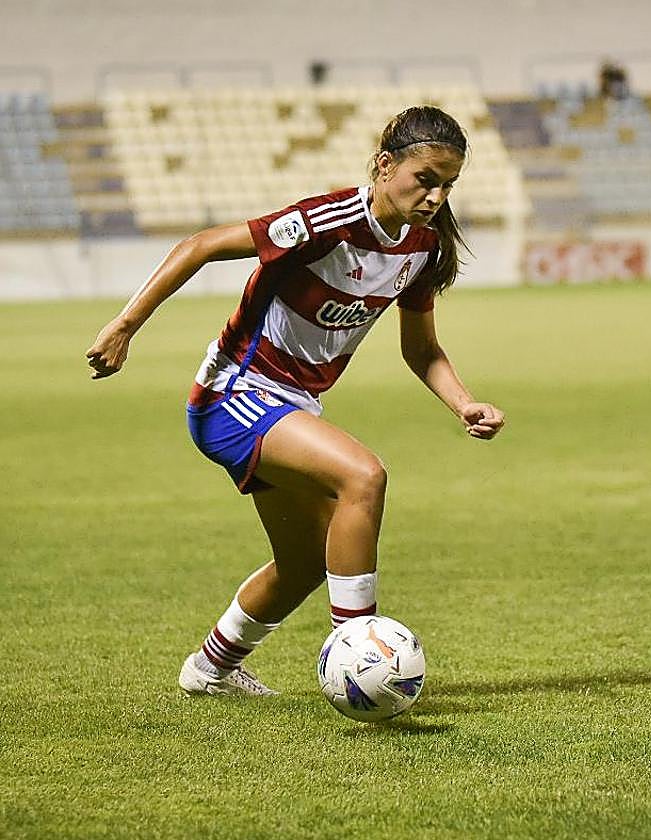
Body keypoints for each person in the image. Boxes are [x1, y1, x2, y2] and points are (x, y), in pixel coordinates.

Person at [87, 106, 505, 697]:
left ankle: (211, 671)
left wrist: (463, 404)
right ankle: (358, 654)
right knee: (363, 476)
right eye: (426, 179)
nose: (436, 196)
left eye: (448, 185)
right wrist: (125, 326)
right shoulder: (327, 221)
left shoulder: (422, 247)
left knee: (306, 564)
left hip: (292, 406)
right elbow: (201, 244)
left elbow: (423, 349)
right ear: (386, 166)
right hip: (233, 392)